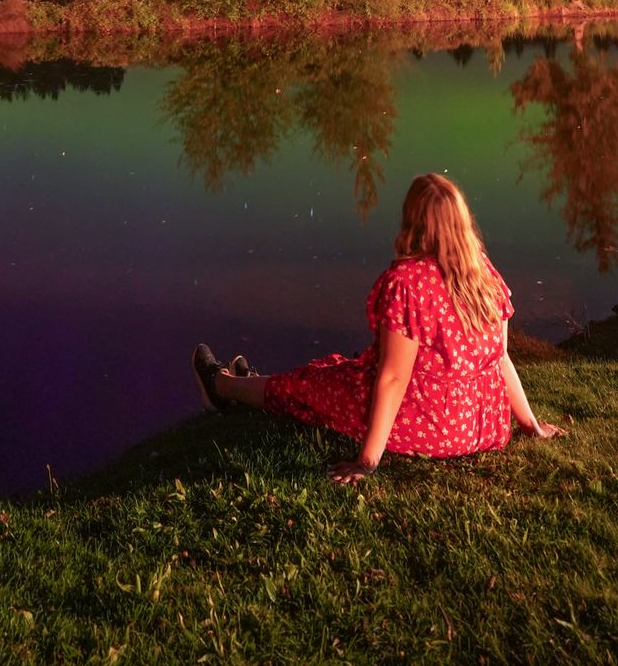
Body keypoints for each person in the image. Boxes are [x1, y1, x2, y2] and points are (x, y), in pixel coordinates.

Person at [192, 171, 565, 485]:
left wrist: (366, 462)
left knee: (311, 386)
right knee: (335, 369)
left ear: (412, 221)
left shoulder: (408, 282)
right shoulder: (481, 272)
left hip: (430, 424)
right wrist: (530, 425)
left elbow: (392, 379)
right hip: (483, 427)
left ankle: (220, 387)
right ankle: (247, 380)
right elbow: (501, 358)